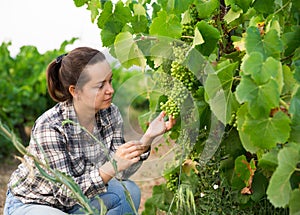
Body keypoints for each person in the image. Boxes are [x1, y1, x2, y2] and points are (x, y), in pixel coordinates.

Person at [4, 47, 175, 215]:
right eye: (100, 86)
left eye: (110, 80)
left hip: (77, 200)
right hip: (33, 203)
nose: (110, 90)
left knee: (129, 191)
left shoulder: (110, 113)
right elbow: (65, 194)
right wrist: (111, 166)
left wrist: (147, 138)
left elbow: (121, 172)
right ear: (75, 91)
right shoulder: (51, 126)